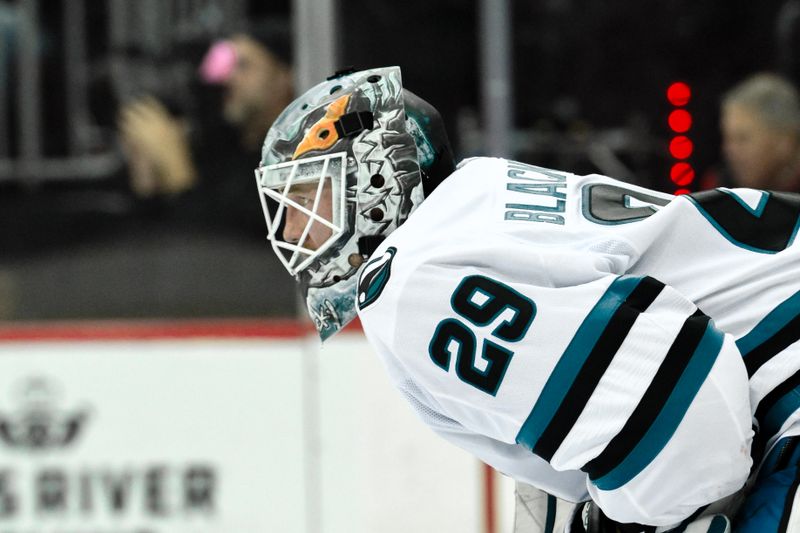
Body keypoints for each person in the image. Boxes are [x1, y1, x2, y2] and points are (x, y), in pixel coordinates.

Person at [254, 66, 800, 532]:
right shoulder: (480, 196)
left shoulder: (406, 281)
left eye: (309, 195)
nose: (294, 225)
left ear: (376, 176)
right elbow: (581, 436)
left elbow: (683, 407)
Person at [117, 23, 293, 236]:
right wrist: (147, 176)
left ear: (283, 78)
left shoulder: (293, 163)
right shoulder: (218, 150)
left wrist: (175, 169)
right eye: (227, 68)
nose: (228, 78)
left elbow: (226, 248)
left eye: (244, 66)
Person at [704, 73, 800, 192]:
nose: (729, 150)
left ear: (785, 142)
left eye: (742, 138)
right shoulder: (719, 190)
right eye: (728, 138)